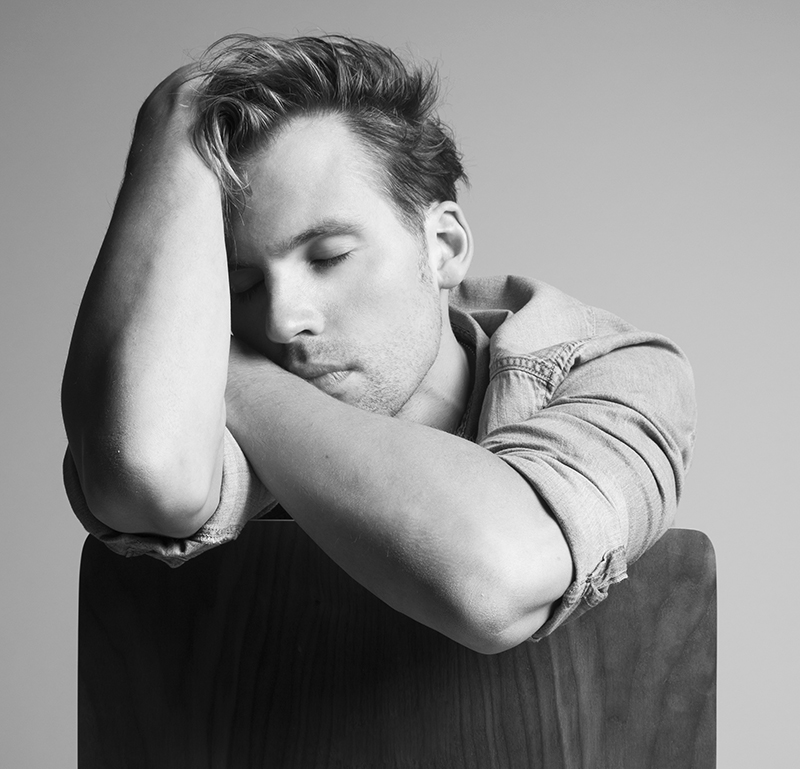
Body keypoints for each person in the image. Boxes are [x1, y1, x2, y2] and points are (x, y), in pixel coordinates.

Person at [62, 34, 696, 654]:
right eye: (241, 286)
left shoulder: (612, 368)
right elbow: (146, 476)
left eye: (329, 257)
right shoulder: (184, 387)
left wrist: (235, 374)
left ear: (443, 246)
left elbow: (496, 577)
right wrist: (177, 117)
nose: (280, 320)